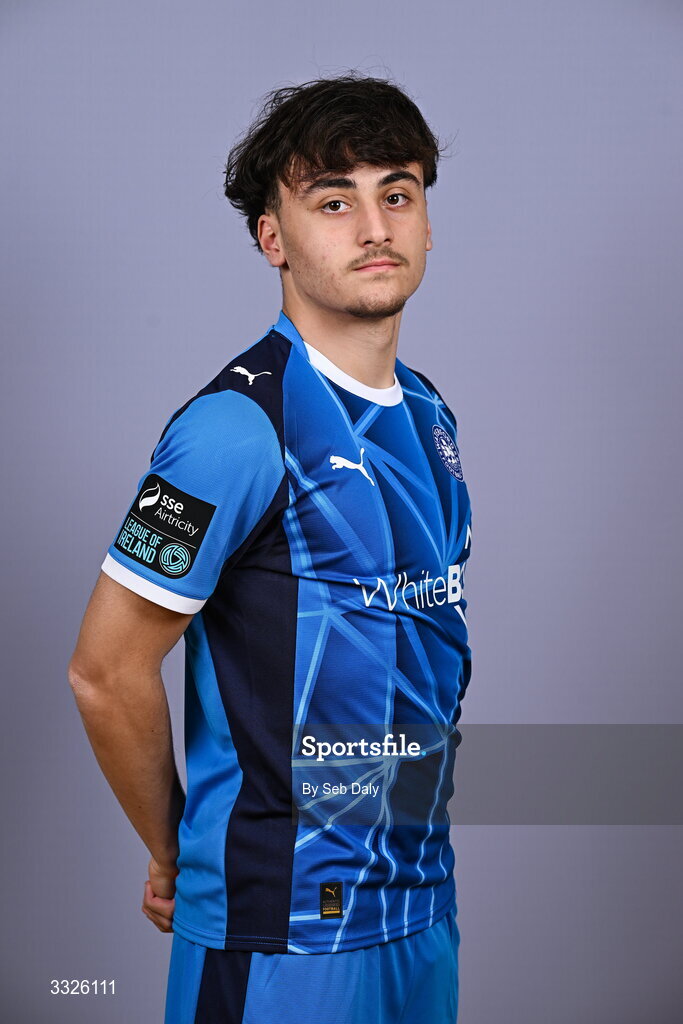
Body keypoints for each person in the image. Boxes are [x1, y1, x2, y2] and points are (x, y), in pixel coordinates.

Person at [68, 71, 473, 1024]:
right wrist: (178, 855)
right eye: (333, 201)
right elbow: (104, 672)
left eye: (397, 193)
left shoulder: (429, 414)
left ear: (425, 220)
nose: (374, 226)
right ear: (272, 238)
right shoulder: (232, 430)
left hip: (419, 908)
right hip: (282, 930)